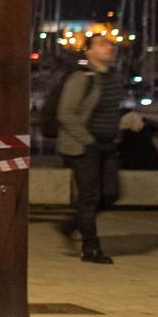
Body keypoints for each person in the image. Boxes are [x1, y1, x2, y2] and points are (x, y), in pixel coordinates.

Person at [56, 33, 129, 264]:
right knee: (89, 196)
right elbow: (65, 113)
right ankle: (91, 248)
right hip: (83, 145)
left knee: (111, 193)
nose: (109, 47)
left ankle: (70, 225)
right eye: (101, 44)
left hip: (108, 145)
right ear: (88, 51)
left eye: (110, 44)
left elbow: (112, 111)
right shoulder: (81, 78)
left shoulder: (115, 78)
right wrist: (88, 140)